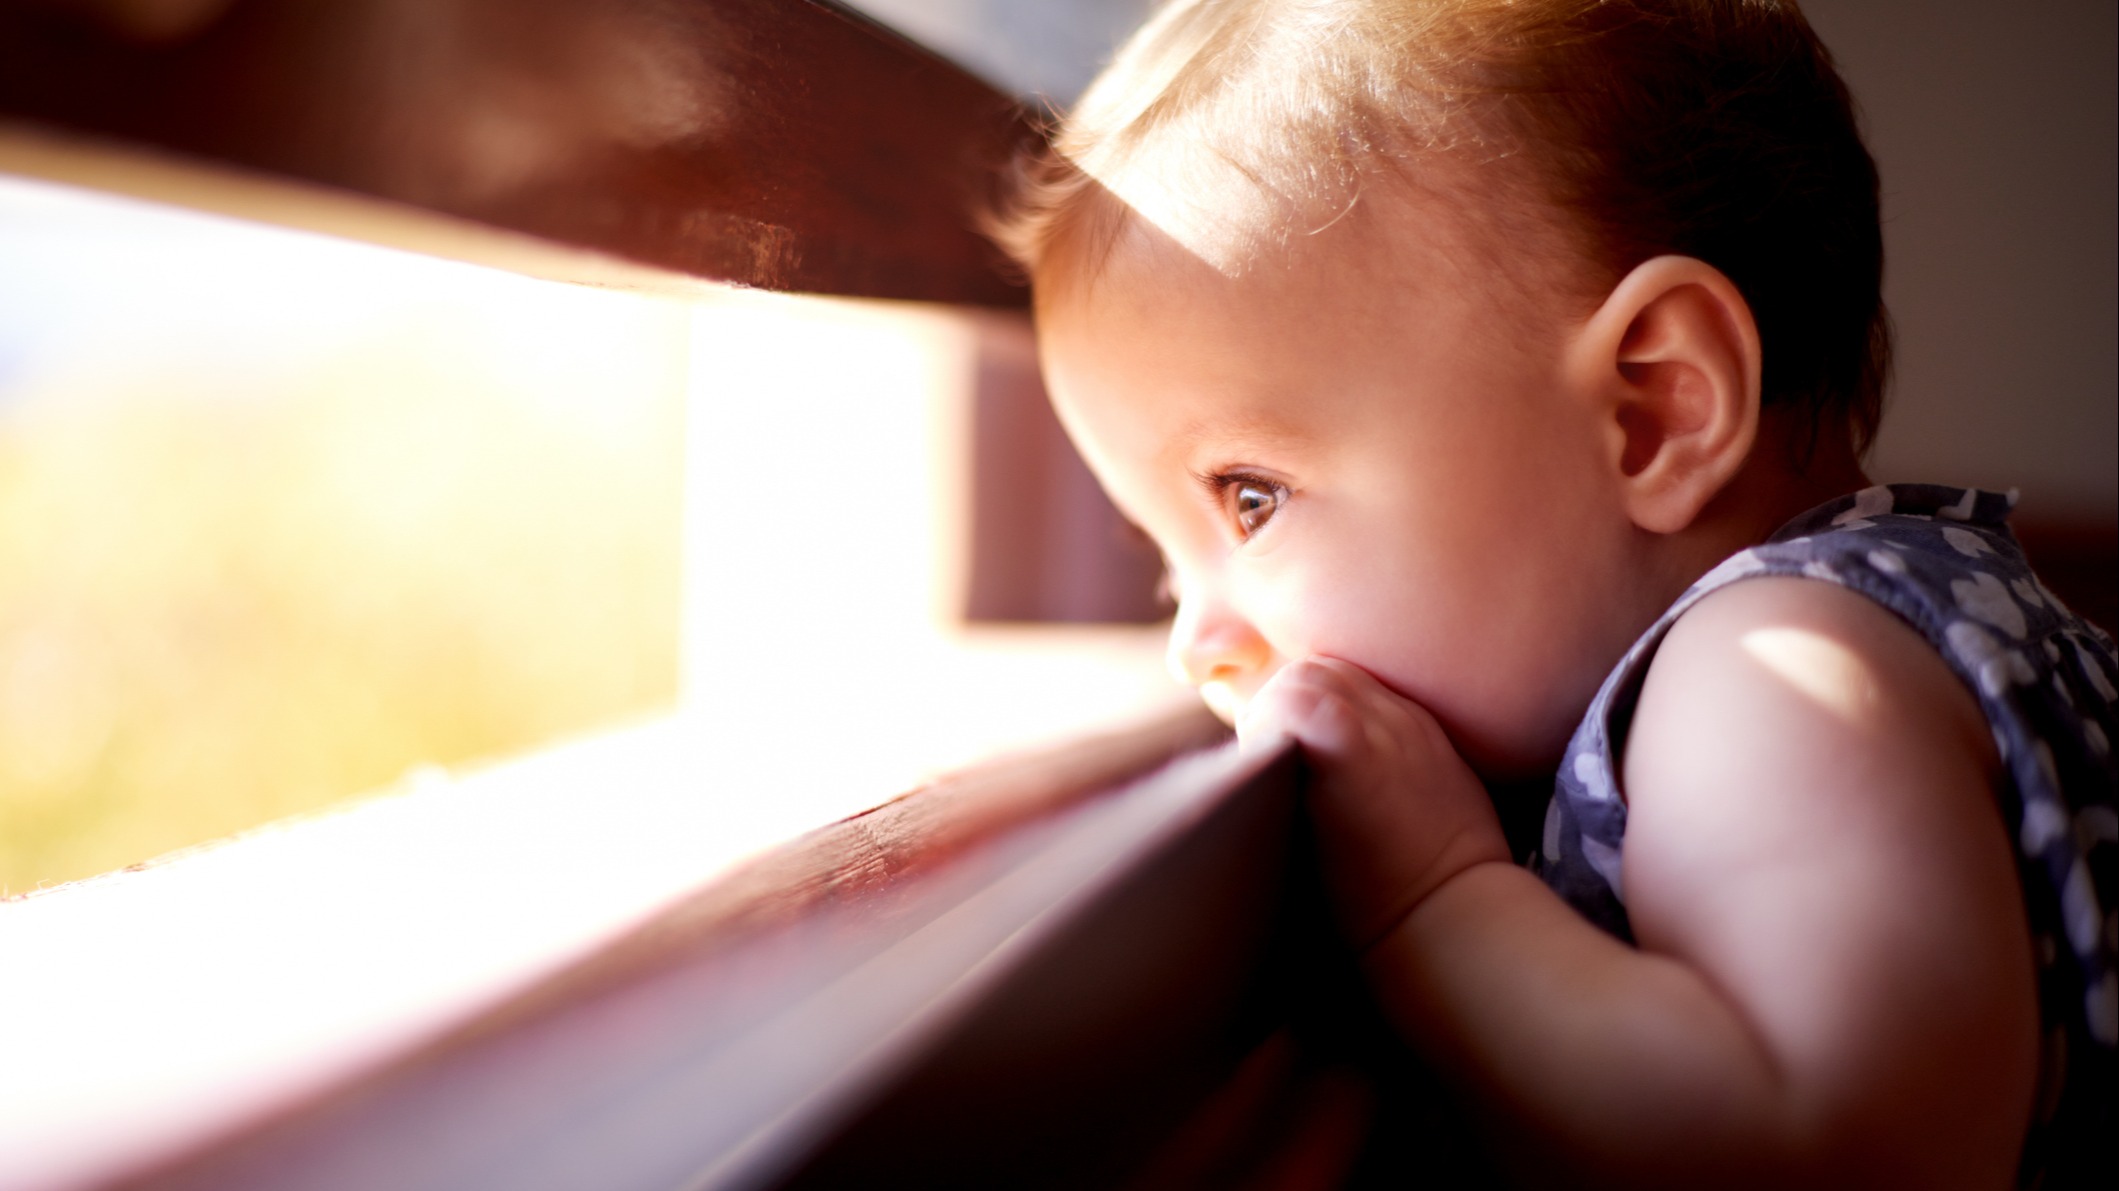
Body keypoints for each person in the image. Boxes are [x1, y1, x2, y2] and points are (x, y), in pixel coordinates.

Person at [988, 0, 2116, 1185]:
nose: (1198, 646)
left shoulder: (1776, 665)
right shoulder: (1881, 618)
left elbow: (1826, 1152)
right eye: (1165, 557)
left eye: (1249, 497)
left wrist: (1436, 898)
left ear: (1652, 415)